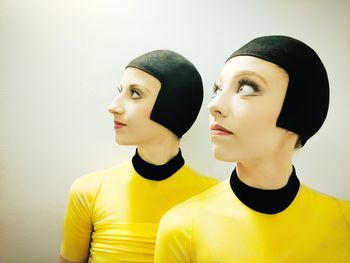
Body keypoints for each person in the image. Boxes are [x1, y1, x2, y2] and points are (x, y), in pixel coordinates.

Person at [155, 36, 350, 262]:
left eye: (245, 87)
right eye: (217, 89)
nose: (214, 105)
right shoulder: (182, 227)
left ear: (297, 111)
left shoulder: (344, 222)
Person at [58, 50, 218, 263]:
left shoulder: (213, 198)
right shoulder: (89, 190)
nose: (113, 106)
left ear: (171, 107)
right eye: (120, 91)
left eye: (135, 93)